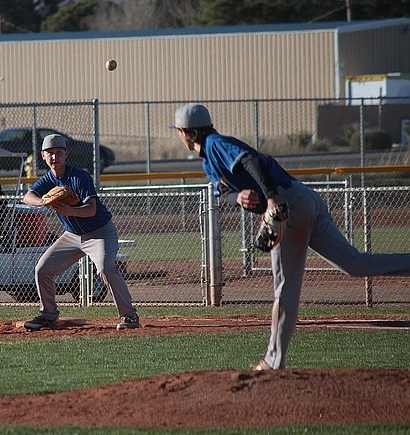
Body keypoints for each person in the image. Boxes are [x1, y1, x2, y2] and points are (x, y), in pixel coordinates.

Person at [170, 103, 410, 370]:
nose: (179, 135)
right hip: (302, 198)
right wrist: (237, 197)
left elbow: (250, 160)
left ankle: (273, 361)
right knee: (354, 264)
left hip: (287, 205)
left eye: (179, 131)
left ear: (186, 132)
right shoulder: (208, 160)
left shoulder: (215, 143)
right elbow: (223, 191)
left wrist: (271, 198)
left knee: (285, 288)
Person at [22, 133, 139, 331]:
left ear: (66, 154)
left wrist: (70, 211)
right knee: (42, 270)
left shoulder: (79, 176)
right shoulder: (48, 179)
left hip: (100, 232)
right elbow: (28, 196)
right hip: (72, 236)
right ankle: (49, 315)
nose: (54, 157)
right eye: (50, 153)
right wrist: (42, 201)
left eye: (59, 152)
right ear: (43, 155)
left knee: (105, 269)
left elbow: (91, 209)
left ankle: (129, 316)